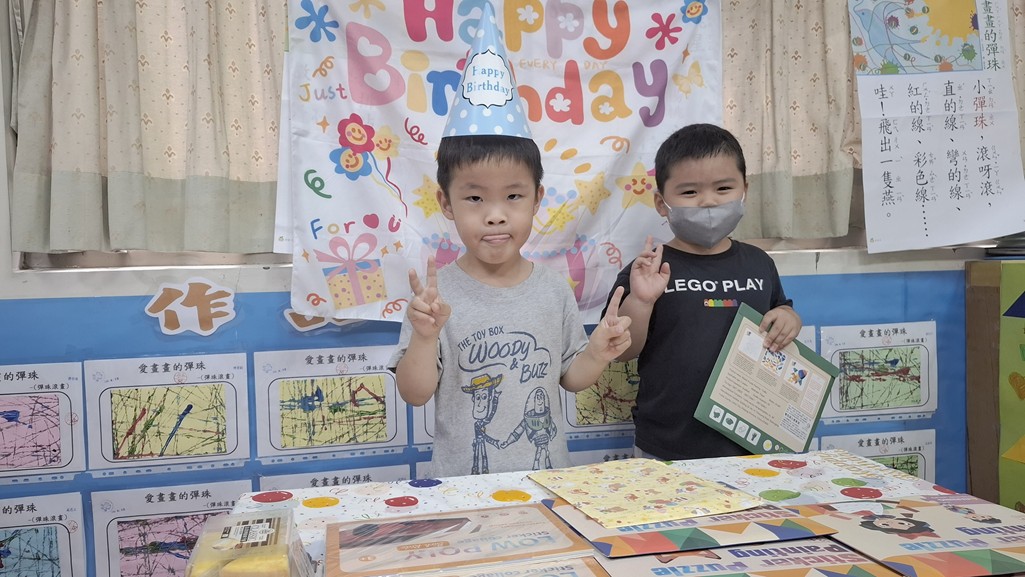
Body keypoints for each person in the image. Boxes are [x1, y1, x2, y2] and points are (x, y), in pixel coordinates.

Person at [392, 134, 632, 477]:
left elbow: (571, 379)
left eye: (513, 196)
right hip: (460, 489)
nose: (495, 216)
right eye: (475, 198)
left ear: (537, 199)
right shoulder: (433, 298)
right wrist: (425, 337)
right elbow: (414, 394)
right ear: (446, 203)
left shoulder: (553, 289)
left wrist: (596, 354)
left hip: (546, 481)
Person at [606, 123, 802, 460]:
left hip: (751, 443)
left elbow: (780, 311)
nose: (708, 202)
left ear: (744, 191)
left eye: (723, 188)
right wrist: (640, 301)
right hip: (666, 445)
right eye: (689, 192)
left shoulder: (759, 263)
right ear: (661, 203)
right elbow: (622, 351)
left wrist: (788, 318)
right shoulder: (648, 269)